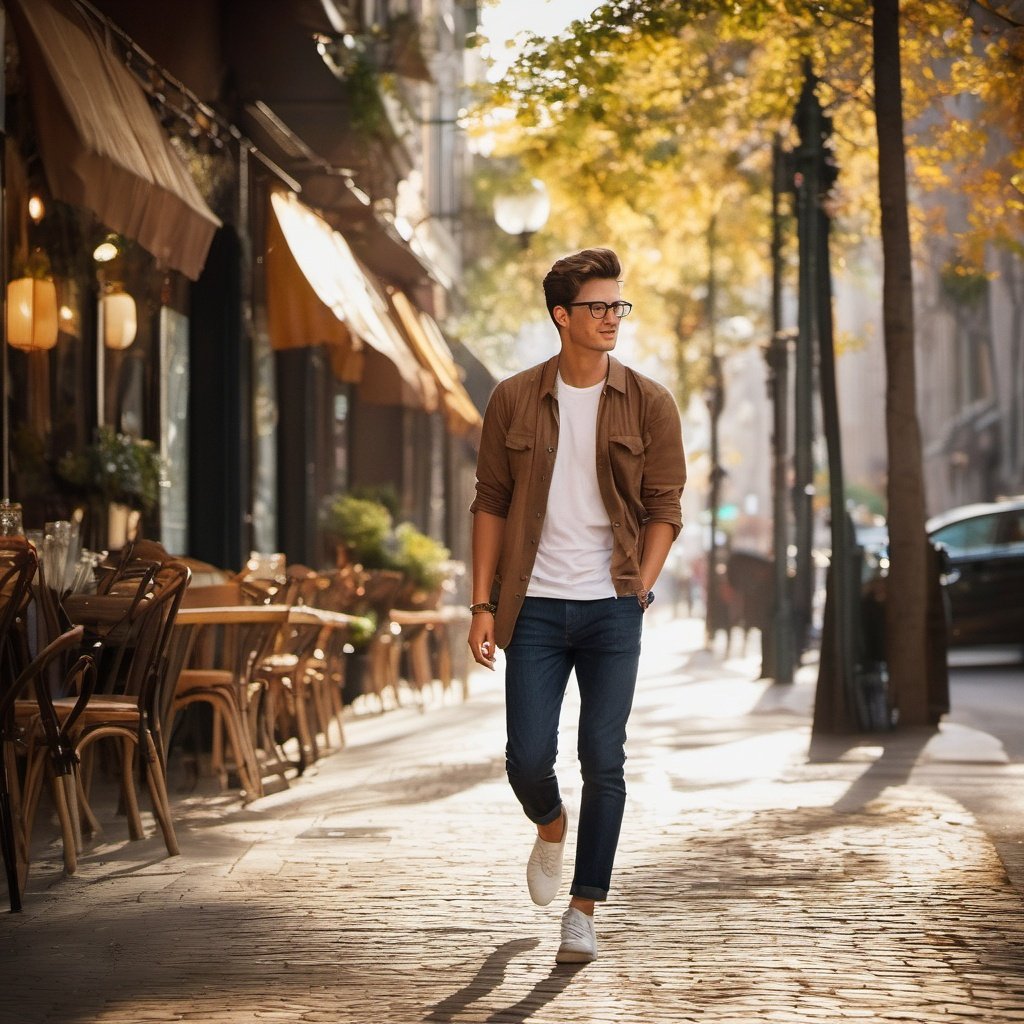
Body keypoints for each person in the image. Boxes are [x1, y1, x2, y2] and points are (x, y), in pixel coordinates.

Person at [468, 247, 686, 964]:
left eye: (618, 306)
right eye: (598, 307)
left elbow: (665, 507)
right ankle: (550, 824)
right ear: (562, 316)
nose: (612, 318)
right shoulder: (513, 398)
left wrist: (641, 585)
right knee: (527, 759)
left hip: (612, 606)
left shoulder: (650, 401)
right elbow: (491, 504)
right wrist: (481, 603)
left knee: (604, 756)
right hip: (530, 608)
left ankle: (584, 908)